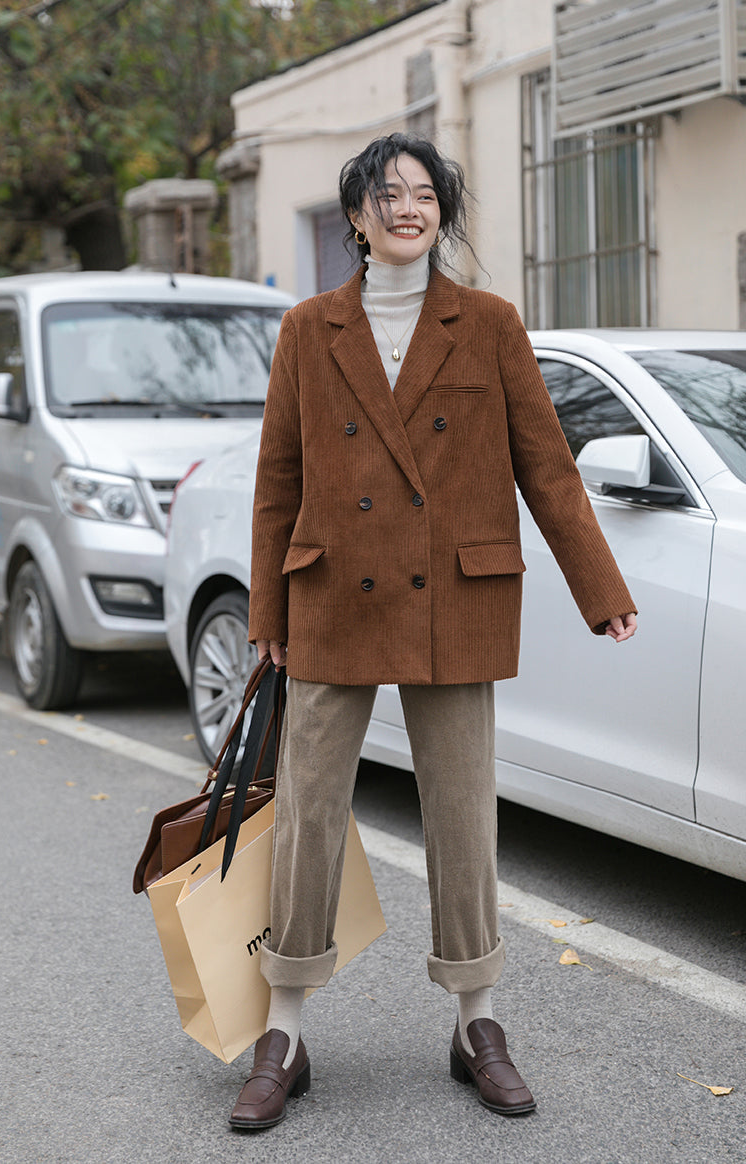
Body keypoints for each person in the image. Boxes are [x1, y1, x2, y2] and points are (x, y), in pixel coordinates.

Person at [229, 133, 637, 1130]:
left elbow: (545, 465)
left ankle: (475, 1023)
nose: (405, 208)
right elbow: (278, 477)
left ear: (440, 212)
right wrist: (267, 613)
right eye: (385, 194)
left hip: (453, 596)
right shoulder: (306, 329)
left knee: (461, 816)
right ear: (355, 217)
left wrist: (599, 585)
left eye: (422, 194)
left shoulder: (489, 324)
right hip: (331, 594)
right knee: (309, 816)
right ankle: (281, 1028)